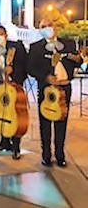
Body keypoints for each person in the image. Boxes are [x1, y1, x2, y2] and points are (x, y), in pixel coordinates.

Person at [28, 18, 82, 167]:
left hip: (64, 88)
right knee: (44, 122)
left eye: (49, 25)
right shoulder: (36, 47)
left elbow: (78, 61)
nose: (46, 28)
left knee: (61, 121)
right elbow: (30, 67)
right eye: (42, 26)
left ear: (55, 27)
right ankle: (46, 154)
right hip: (46, 88)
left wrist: (77, 58)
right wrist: (45, 77)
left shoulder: (68, 44)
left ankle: (60, 154)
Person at [0, 25, 27, 160]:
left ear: (5, 35)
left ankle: (16, 146)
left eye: (0, 34)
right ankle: (4, 142)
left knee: (16, 114)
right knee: (2, 111)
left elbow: (25, 64)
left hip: (14, 85)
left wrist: (14, 70)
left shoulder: (16, 47)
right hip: (1, 85)